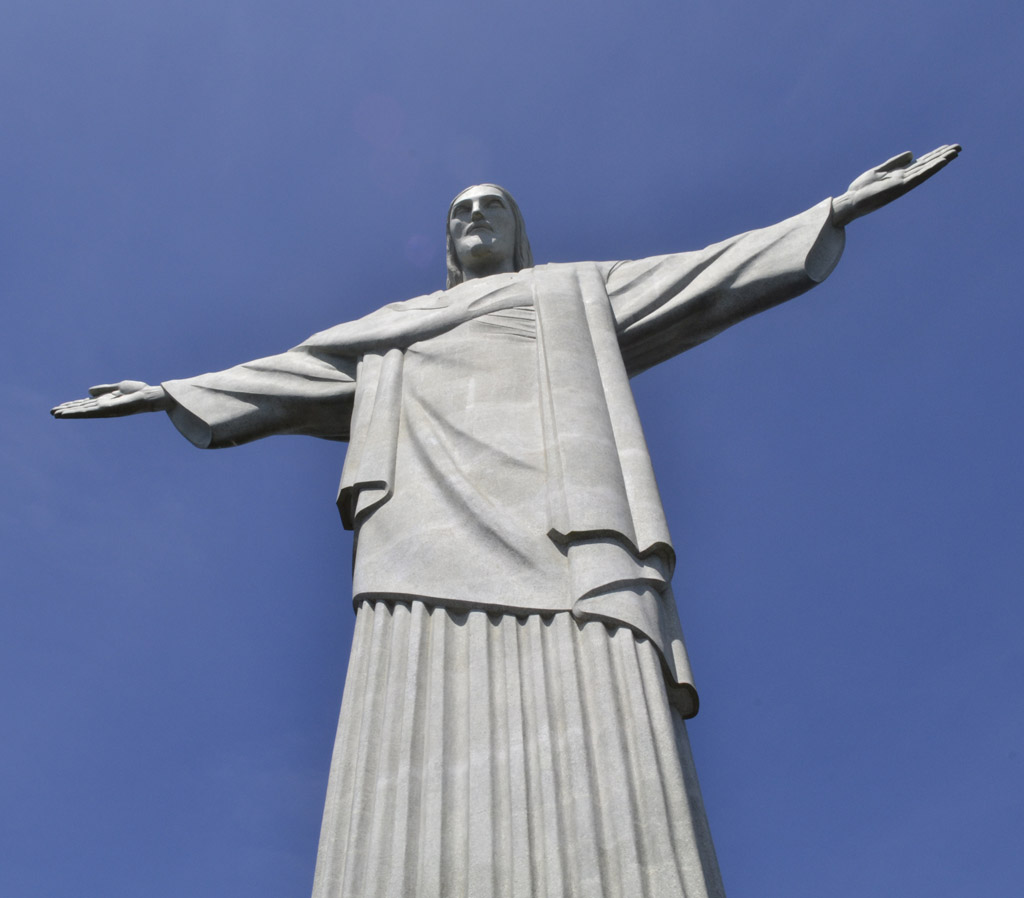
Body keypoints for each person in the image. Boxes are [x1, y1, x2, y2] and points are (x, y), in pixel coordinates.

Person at [53, 145, 960, 898]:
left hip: (568, 531)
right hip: (420, 534)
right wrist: (167, 393)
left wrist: (833, 212)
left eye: (493, 205)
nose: (476, 216)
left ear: (519, 230)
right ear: (446, 241)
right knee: (410, 725)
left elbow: (705, 277)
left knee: (602, 714)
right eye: (459, 210)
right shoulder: (395, 326)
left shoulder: (573, 292)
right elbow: (285, 376)